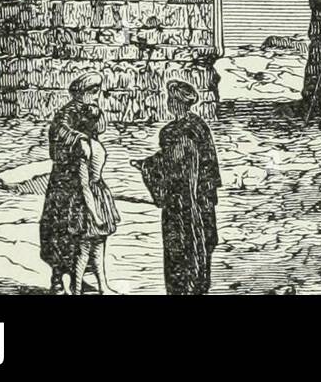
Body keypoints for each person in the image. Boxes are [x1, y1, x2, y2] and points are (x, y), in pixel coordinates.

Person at [139, 80, 221, 296]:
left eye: (170, 99)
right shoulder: (200, 126)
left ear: (174, 103)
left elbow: (170, 165)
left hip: (180, 202)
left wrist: (146, 166)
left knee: (182, 248)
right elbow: (208, 165)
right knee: (199, 245)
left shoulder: (171, 132)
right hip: (200, 199)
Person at [40, 71, 105, 294]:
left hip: (83, 176)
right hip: (65, 182)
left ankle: (78, 279)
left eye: (98, 92)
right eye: (94, 92)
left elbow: (99, 129)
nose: (98, 96)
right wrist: (80, 140)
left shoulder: (89, 111)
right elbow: (60, 132)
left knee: (83, 232)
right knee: (60, 229)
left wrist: (96, 117)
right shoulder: (65, 113)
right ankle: (57, 280)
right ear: (82, 93)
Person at [69, 101, 120, 295]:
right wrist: (94, 214)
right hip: (87, 200)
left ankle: (103, 286)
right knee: (83, 249)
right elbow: (84, 185)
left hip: (99, 194)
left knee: (99, 245)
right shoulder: (83, 146)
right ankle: (77, 289)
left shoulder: (95, 143)